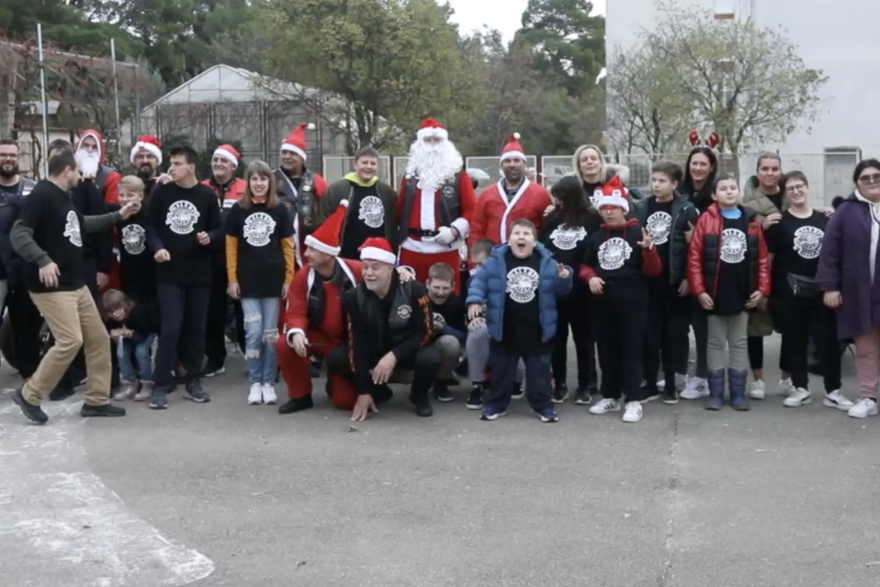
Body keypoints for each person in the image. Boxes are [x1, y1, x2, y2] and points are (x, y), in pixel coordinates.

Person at [9, 148, 140, 424]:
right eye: (78, 171)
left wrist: (120, 214)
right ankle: (29, 394)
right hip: (52, 287)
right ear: (67, 170)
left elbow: (82, 224)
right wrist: (43, 260)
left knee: (98, 339)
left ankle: (96, 400)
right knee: (70, 340)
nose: (81, 176)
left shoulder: (62, 198)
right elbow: (19, 233)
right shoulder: (42, 195)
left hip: (75, 283)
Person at [466, 219, 573, 423]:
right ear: (509, 239)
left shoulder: (548, 262)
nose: (521, 237)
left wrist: (565, 277)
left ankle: (543, 406)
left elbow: (562, 291)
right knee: (501, 372)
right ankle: (496, 404)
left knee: (539, 374)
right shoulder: (495, 261)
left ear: (534, 241)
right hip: (504, 328)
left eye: (526, 233)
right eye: (516, 233)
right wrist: (474, 301)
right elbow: (479, 282)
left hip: (537, 329)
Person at [326, 237, 439, 421]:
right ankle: (376, 390)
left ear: (389, 268)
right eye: (365, 267)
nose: (369, 273)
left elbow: (425, 332)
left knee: (430, 358)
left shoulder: (414, 290)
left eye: (375, 267)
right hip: (374, 351)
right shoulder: (354, 298)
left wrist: (394, 355)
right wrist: (363, 391)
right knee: (337, 357)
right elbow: (357, 344)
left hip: (406, 351)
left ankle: (419, 395)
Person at [767, 171, 850, 411]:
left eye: (799, 186)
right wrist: (769, 293)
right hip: (789, 293)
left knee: (829, 343)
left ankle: (833, 390)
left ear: (807, 187)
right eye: (790, 188)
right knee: (795, 341)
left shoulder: (825, 219)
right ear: (785, 193)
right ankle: (800, 388)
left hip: (823, 291)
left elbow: (836, 256)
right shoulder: (779, 224)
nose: (796, 191)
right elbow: (769, 261)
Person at [688, 174, 770, 411]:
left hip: (742, 293)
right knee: (714, 342)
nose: (729, 191)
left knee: (739, 342)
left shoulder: (751, 220)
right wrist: (700, 290)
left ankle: (737, 393)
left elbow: (763, 259)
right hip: (715, 293)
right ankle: (715, 393)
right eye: (723, 188)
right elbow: (694, 259)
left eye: (733, 187)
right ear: (714, 195)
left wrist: (762, 289)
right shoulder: (706, 220)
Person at [581, 177, 661, 424]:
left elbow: (653, 271)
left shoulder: (638, 232)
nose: (608, 212)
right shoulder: (596, 237)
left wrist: (649, 251)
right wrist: (591, 277)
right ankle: (610, 395)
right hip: (602, 303)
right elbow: (584, 265)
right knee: (606, 350)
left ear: (623, 208)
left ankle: (633, 399)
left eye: (613, 208)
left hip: (633, 302)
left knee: (631, 350)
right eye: (604, 208)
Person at [147, 145, 221, 409]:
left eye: (178, 163)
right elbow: (150, 225)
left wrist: (209, 237)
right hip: (169, 273)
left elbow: (218, 228)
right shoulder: (162, 192)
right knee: (170, 328)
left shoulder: (207, 196)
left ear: (191, 167)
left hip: (199, 274)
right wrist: (157, 247)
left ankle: (193, 380)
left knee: (196, 329)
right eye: (171, 163)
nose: (172, 168)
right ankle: (160, 383)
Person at [275, 200, 361, 414]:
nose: (306, 254)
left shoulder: (355, 270)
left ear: (328, 254)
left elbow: (382, 270)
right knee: (284, 343)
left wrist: (403, 271)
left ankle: (337, 382)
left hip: (347, 344)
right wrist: (296, 333)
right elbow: (295, 310)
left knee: (345, 402)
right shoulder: (303, 276)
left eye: (312, 249)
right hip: (319, 338)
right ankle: (300, 395)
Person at [225, 161, 294, 405]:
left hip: (273, 282)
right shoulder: (237, 210)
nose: (259, 183)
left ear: (270, 182)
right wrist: (232, 279)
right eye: (254, 179)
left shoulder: (280, 210)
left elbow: (288, 247)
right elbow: (231, 248)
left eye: (263, 179)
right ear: (248, 182)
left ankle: (268, 381)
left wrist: (289, 278)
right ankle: (255, 381)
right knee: (253, 333)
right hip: (248, 283)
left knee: (269, 334)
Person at [817, 159, 880, 419]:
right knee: (866, 347)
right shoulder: (846, 211)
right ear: (857, 182)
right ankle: (868, 396)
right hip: (860, 293)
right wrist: (829, 287)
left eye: (877, 176)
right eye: (866, 177)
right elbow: (830, 252)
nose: (872, 181)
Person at [634, 161, 698, 404]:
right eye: (654, 180)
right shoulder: (641, 207)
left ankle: (671, 384)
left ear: (674, 184)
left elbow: (695, 248)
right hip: (648, 283)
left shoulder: (686, 209)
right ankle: (650, 383)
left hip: (674, 283)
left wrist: (688, 279)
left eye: (662, 181)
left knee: (673, 335)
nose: (656, 185)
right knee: (649, 335)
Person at [540, 175, 601, 405]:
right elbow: (544, 247)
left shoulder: (592, 219)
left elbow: (595, 249)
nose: (557, 201)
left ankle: (586, 384)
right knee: (557, 339)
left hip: (582, 290)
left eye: (561, 197)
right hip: (556, 289)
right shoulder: (553, 219)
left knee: (584, 339)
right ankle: (560, 384)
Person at [396, 117, 476, 293]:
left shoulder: (458, 176)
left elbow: (472, 209)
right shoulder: (409, 177)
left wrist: (455, 230)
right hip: (412, 248)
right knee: (409, 299)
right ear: (419, 144)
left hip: (445, 248)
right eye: (427, 140)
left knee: (446, 297)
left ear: (445, 143)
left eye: (437, 140)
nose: (432, 145)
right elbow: (399, 209)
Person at [742, 152, 793, 400]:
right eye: (766, 169)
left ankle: (787, 378)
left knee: (790, 327)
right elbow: (737, 236)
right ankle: (758, 380)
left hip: (787, 270)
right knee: (755, 328)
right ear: (758, 171)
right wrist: (760, 226)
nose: (770, 173)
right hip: (755, 270)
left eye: (775, 169)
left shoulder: (790, 196)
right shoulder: (746, 202)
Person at [462, 238, 525, 410]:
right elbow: (468, 312)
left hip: (510, 327)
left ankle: (516, 380)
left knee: (518, 331)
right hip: (486, 331)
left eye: (481, 265)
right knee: (477, 329)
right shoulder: (472, 282)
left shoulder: (512, 279)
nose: (477, 270)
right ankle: (478, 384)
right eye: (474, 265)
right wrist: (475, 318)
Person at [202, 143, 247, 378]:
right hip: (210, 258)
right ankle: (215, 357)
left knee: (243, 308)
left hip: (241, 257)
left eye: (224, 160)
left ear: (233, 166)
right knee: (213, 310)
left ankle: (251, 354)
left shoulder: (245, 188)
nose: (218, 164)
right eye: (215, 159)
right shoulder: (201, 188)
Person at [678, 146, 719, 400]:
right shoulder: (680, 191)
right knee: (679, 324)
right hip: (679, 266)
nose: (698, 168)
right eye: (694, 163)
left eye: (703, 164)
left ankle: (703, 377)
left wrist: (697, 237)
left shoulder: (715, 196)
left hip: (706, 269)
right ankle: (678, 372)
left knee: (703, 326)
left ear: (711, 167)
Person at [0, 139, 40, 381]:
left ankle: (31, 376)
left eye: (12, 155)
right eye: (3, 155)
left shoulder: (33, 189)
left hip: (25, 269)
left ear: (19, 158)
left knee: (27, 325)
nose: (8, 159)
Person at [468, 133, 551, 245]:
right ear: (501, 165)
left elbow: (548, 230)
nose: (512, 165)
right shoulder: (487, 195)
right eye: (507, 161)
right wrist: (475, 259)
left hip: (528, 258)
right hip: (494, 258)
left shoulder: (540, 194)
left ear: (524, 164)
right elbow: (477, 230)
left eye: (517, 160)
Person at [318, 146, 398, 259]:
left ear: (378, 166)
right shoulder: (337, 190)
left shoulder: (387, 192)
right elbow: (324, 221)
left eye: (372, 163)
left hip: (378, 258)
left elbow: (394, 224)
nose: (368, 167)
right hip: (346, 256)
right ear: (355, 164)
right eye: (364, 163)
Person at [275, 123, 328, 267]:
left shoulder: (317, 181)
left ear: (303, 157)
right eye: (284, 152)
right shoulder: (270, 180)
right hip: (277, 247)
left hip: (309, 248)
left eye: (292, 153)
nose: (287, 157)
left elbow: (327, 213)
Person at [102, 289, 159, 402]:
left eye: (118, 309)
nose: (115, 314)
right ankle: (129, 383)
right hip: (129, 335)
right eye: (111, 312)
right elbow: (110, 331)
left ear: (125, 305)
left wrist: (130, 333)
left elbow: (143, 334)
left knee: (141, 352)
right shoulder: (110, 320)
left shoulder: (137, 312)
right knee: (122, 352)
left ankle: (147, 383)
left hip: (146, 332)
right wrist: (114, 336)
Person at [425, 262, 466, 402]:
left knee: (451, 343)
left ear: (453, 287)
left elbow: (463, 336)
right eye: (436, 287)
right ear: (427, 284)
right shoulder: (418, 298)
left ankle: (441, 382)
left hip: (443, 345)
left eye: (445, 288)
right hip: (420, 344)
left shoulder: (456, 303)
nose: (440, 292)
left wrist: (442, 328)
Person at [116, 176, 156, 303]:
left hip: (151, 275)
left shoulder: (150, 213)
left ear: (140, 196)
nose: (125, 199)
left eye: (130, 195)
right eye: (121, 195)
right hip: (128, 274)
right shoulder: (118, 214)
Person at [75, 129, 121, 205]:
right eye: (86, 145)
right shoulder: (69, 173)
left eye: (95, 147)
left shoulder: (111, 177)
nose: (90, 150)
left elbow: (112, 210)